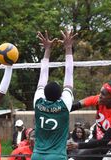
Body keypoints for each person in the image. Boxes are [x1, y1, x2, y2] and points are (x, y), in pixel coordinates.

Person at [31, 29, 77, 160]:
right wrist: (68, 47)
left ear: (44, 93)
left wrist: (47, 49)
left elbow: (43, 75)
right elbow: (69, 74)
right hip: (57, 156)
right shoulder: (64, 105)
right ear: (60, 95)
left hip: (37, 155)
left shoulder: (38, 102)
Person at [67, 76, 111, 160]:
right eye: (100, 92)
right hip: (102, 143)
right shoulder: (98, 100)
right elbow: (76, 106)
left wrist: (78, 145)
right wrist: (60, 110)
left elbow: (104, 141)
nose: (100, 96)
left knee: (108, 159)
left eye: (103, 94)